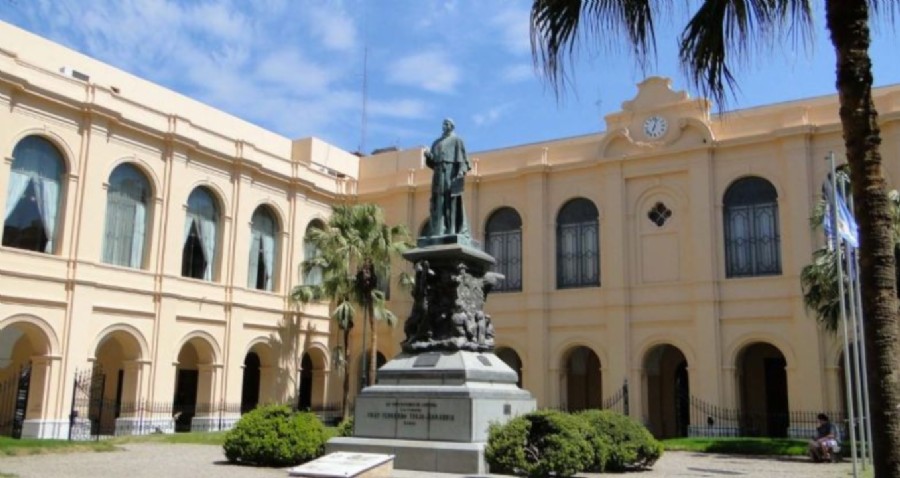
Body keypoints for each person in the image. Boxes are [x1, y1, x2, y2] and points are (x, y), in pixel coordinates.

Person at [424, 118, 470, 238]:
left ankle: (452, 229)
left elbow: (464, 160)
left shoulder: (457, 140)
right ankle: (439, 229)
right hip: (438, 173)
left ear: (452, 126)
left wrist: (460, 172)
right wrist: (429, 157)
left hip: (451, 172)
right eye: (443, 123)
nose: (444, 125)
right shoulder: (436, 142)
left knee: (451, 201)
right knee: (438, 201)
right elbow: (432, 163)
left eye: (447, 123)